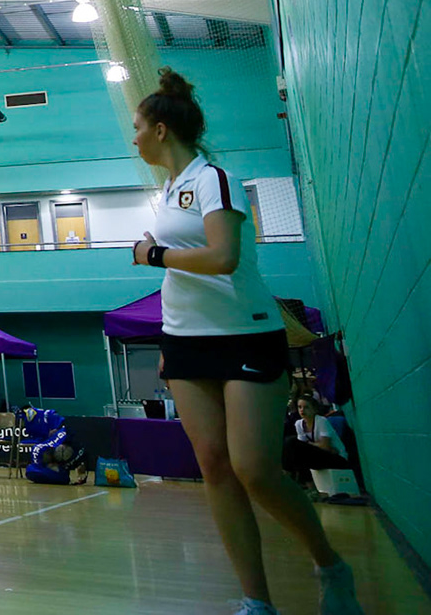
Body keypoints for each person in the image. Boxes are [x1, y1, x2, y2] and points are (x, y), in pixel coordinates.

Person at [129, 69, 360, 614]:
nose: (132, 136)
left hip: (246, 334)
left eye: (137, 127)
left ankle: (331, 564)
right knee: (213, 466)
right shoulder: (165, 192)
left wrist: (153, 254)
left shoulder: (214, 178)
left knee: (254, 468)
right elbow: (181, 265)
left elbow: (221, 257)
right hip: (185, 343)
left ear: (162, 130)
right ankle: (256, 602)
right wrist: (170, 330)